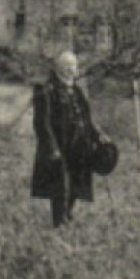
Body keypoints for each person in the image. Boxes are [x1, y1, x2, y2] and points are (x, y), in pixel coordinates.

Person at [31, 51, 103, 228]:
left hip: (78, 145)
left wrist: (98, 135)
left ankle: (67, 213)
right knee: (60, 182)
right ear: (58, 69)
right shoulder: (47, 91)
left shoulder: (77, 91)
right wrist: (51, 147)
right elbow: (42, 123)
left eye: (74, 66)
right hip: (59, 144)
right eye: (67, 66)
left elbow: (86, 118)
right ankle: (59, 220)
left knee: (77, 181)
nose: (71, 70)